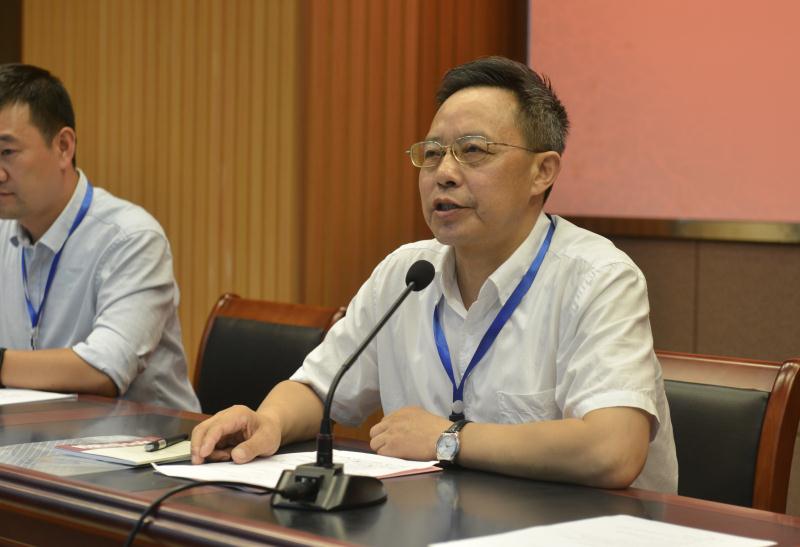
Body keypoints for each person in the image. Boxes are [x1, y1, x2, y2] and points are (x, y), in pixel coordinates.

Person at [191, 56, 677, 491]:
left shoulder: (597, 277)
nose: (444, 172)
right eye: (432, 153)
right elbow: (319, 388)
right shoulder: (407, 273)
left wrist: (449, 438)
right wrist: (269, 421)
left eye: (473, 150)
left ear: (542, 172)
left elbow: (613, 450)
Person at [0, 64, 199, 411]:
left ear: (63, 147)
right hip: (38, 434)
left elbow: (105, 368)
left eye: (7, 153)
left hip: (150, 438)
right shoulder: (5, 228)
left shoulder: (131, 238)